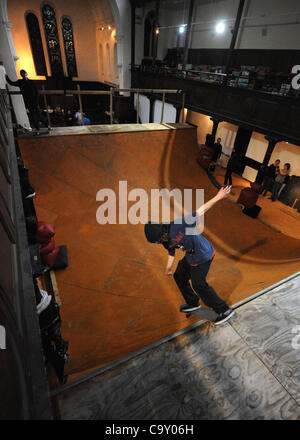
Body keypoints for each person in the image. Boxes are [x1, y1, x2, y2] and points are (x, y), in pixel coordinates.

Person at [144, 186, 235, 325]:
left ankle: (224, 309)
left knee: (199, 284)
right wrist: (168, 267)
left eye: (157, 241)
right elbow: (171, 250)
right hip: (191, 256)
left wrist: (219, 196)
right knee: (179, 275)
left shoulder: (178, 225)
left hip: (204, 254)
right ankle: (193, 302)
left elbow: (201, 210)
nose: (158, 244)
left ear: (161, 234)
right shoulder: (164, 240)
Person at [6, 69, 50, 134]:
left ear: (26, 74)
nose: (23, 75)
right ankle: (37, 128)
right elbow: (11, 83)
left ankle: (47, 125)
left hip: (34, 101)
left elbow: (36, 92)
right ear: (21, 75)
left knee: (39, 114)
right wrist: (6, 76)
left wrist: (37, 100)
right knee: (32, 115)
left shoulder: (31, 82)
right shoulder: (20, 82)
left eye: (24, 73)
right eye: (22, 74)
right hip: (28, 102)